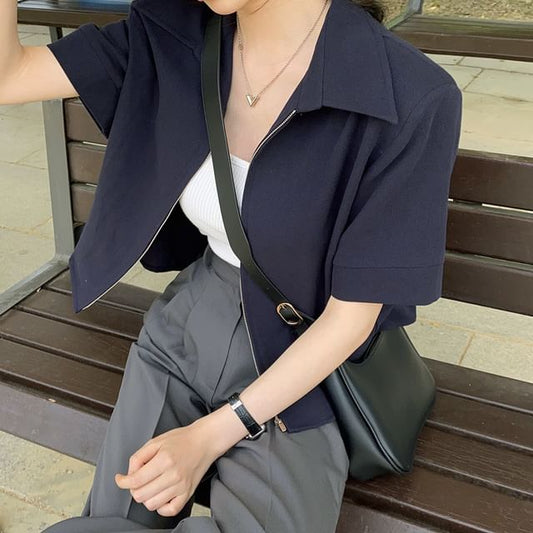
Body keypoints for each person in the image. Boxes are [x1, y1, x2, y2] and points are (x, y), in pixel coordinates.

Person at [0, 0, 462, 531]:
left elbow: (350, 320)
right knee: (113, 513)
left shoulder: (407, 95)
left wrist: (211, 435)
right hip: (186, 326)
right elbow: (9, 76)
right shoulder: (172, 41)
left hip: (305, 358)